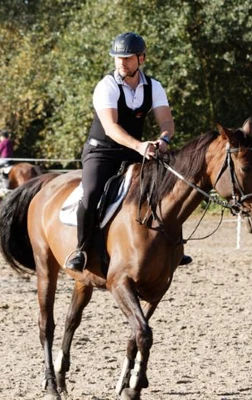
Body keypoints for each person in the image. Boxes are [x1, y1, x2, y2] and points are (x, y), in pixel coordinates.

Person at [65, 32, 191, 271]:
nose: (121, 62)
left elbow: (166, 122)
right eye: (117, 58)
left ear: (141, 59)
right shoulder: (106, 86)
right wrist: (140, 146)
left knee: (167, 184)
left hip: (134, 150)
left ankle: (174, 245)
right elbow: (111, 128)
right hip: (102, 151)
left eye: (128, 58)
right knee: (91, 193)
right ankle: (81, 249)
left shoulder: (154, 86)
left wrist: (163, 139)